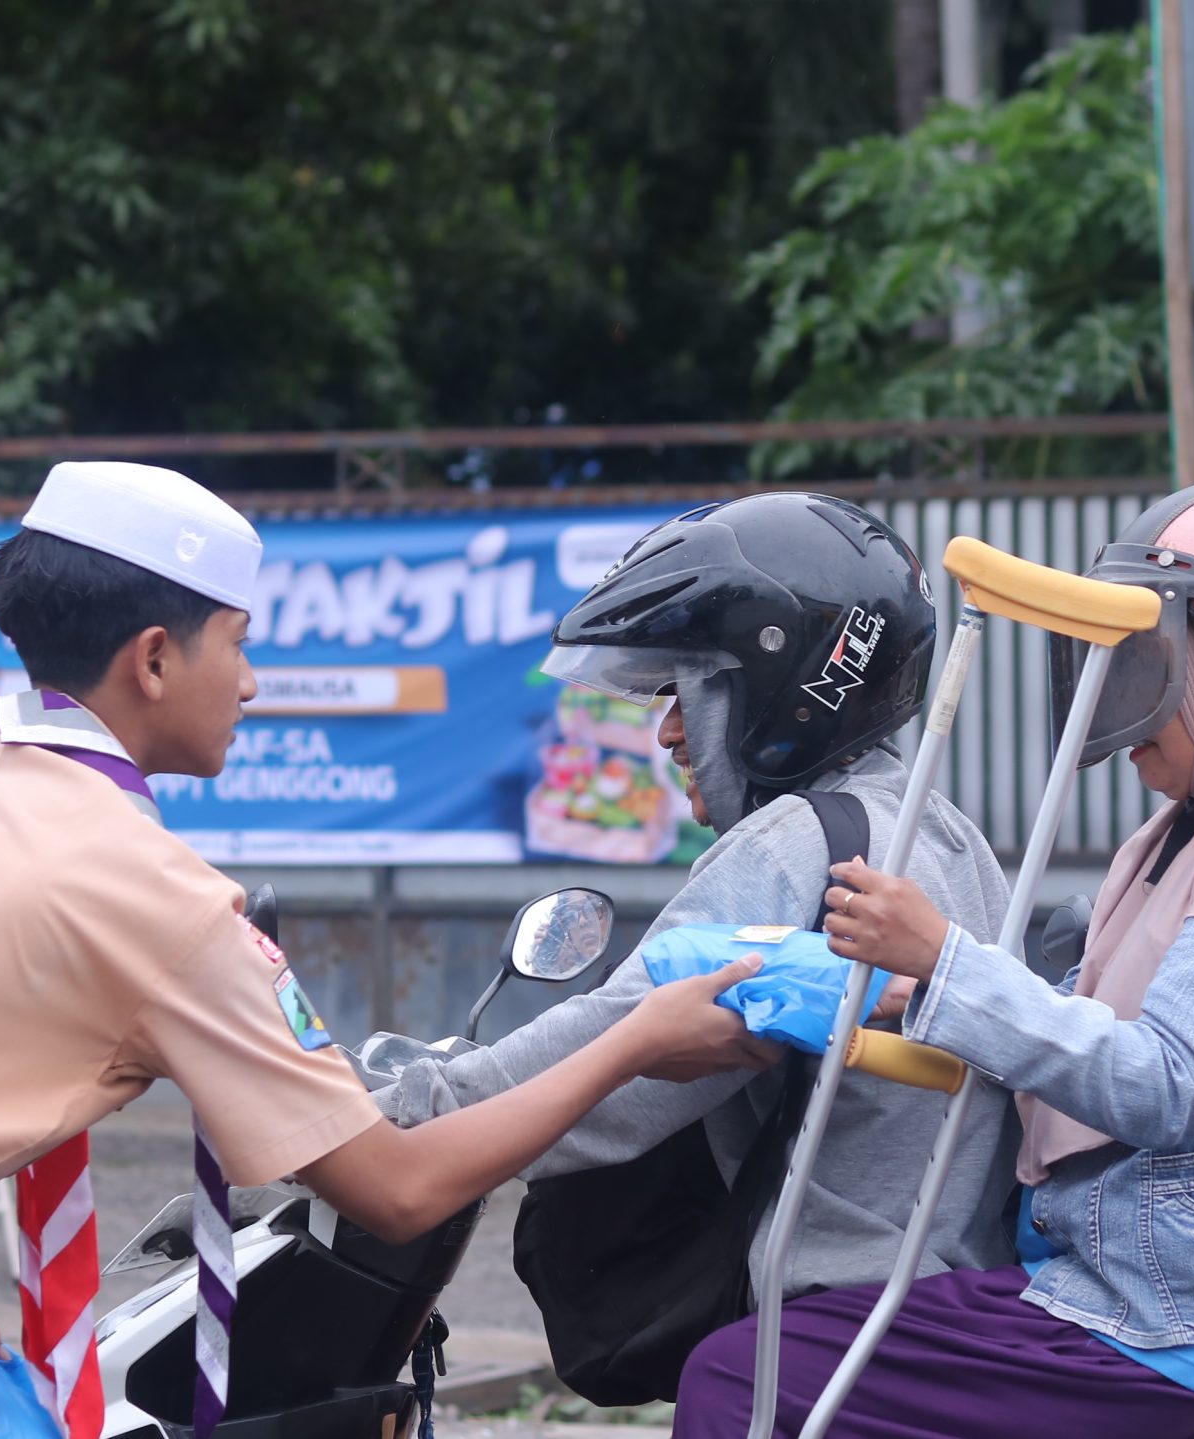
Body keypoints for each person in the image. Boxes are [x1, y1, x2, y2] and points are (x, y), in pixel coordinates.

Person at [0, 462, 758, 1439]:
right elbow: (393, 1186)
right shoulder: (158, 891)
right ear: (155, 658)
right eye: (240, 642)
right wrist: (634, 1040)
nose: (252, 684)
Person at [671, 478, 1194, 1438]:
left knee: (749, 1377)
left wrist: (948, 959)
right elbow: (1101, 1022)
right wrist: (920, 993)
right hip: (1127, 1277)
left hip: (1191, 1320)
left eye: (1154, 657)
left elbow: (1165, 1082)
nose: (1123, 694)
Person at [377, 494, 1018, 1327]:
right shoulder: (947, 834)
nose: (669, 732)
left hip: (839, 1314)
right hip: (959, 1292)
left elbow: (607, 1056)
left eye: (691, 691)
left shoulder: (793, 844)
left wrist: (392, 1113)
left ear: (780, 690)